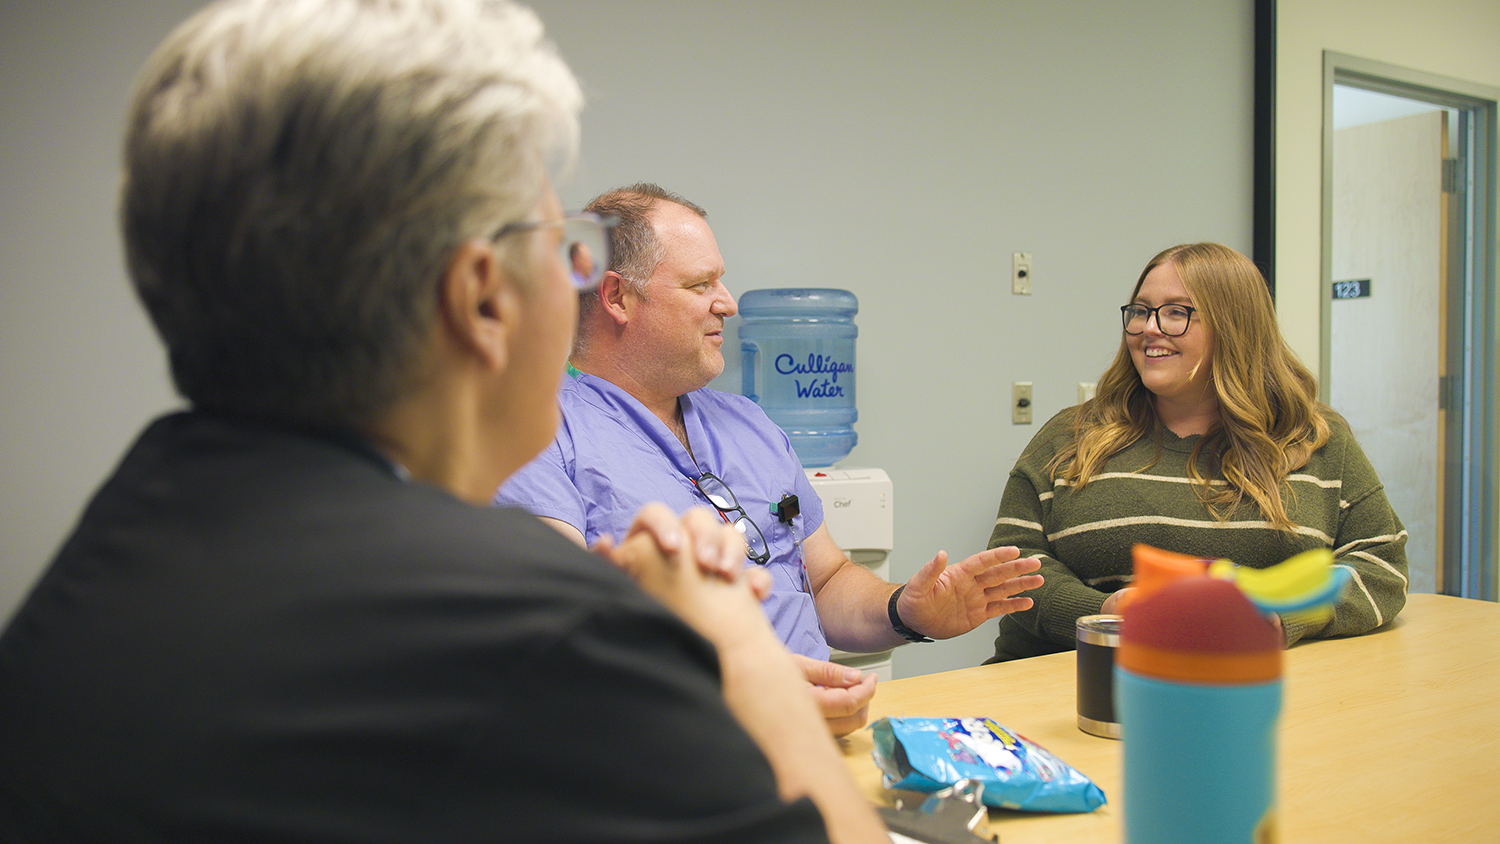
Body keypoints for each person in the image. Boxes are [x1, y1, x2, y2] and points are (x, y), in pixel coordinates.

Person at [0, 2, 887, 842]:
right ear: (480, 299)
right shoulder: (541, 635)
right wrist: (730, 650)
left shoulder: (81, 589)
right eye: (566, 252)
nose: (577, 288)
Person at [495, 183, 1044, 734]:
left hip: (819, 737)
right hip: (675, 747)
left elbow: (825, 581)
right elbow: (569, 634)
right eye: (701, 284)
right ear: (617, 297)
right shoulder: (537, 434)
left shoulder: (748, 423)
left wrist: (907, 610)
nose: (727, 302)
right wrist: (753, 692)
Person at [984, 242, 1409, 662]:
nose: (1149, 328)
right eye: (1141, 311)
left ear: (1235, 326)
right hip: (1073, 680)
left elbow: (1382, 567)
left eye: (1176, 312)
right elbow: (1009, 566)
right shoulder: (1069, 436)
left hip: (1254, 685)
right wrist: (1105, 615)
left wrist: (1281, 619)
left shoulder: (1314, 439)